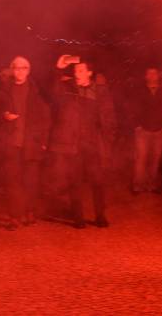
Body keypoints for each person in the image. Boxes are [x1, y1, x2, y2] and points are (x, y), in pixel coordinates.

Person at [52, 56, 116, 228]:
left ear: (89, 73)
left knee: (98, 181)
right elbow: (53, 91)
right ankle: (78, 217)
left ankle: (100, 215)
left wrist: (108, 141)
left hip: (94, 145)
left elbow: (109, 118)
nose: (76, 74)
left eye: (81, 71)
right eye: (75, 71)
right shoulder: (68, 88)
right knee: (75, 181)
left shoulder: (100, 92)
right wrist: (58, 68)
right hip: (74, 144)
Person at [0, 56, 51, 230]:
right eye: (16, 68)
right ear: (12, 70)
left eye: (23, 68)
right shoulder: (4, 90)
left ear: (28, 71)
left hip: (32, 144)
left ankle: (29, 212)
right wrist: (3, 115)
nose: (20, 71)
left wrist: (43, 141)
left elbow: (46, 118)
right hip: (12, 143)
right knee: (12, 182)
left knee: (31, 182)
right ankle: (14, 217)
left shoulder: (37, 91)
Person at [130, 67, 162, 194]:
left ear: (158, 76)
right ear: (146, 76)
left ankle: (151, 185)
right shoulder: (139, 91)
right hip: (143, 131)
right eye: (149, 73)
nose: (152, 75)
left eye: (154, 73)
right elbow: (133, 108)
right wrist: (137, 125)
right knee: (140, 159)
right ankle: (138, 186)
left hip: (159, 131)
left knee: (155, 159)